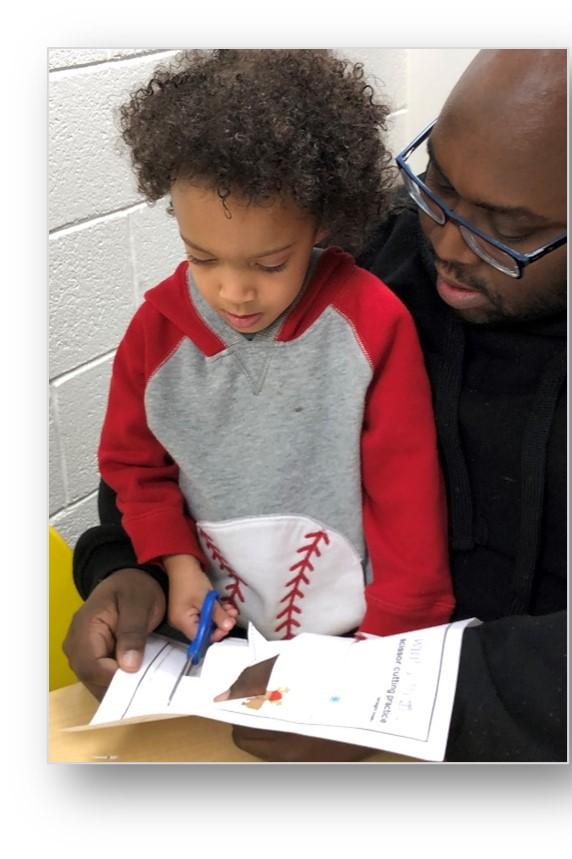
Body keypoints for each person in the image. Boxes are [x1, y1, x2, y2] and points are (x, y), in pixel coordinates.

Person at [64, 48, 567, 762]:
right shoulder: (368, 248)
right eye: (438, 184)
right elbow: (149, 464)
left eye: (508, 229)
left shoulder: (363, 322)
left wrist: (379, 697)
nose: (447, 244)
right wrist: (130, 566)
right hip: (251, 688)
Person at [85, 49, 455, 655]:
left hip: (358, 641)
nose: (233, 292)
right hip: (217, 636)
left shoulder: (373, 323)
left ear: (322, 224)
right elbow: (133, 467)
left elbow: (407, 492)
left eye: (270, 263)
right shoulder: (154, 334)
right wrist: (178, 563)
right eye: (201, 257)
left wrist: (397, 635)